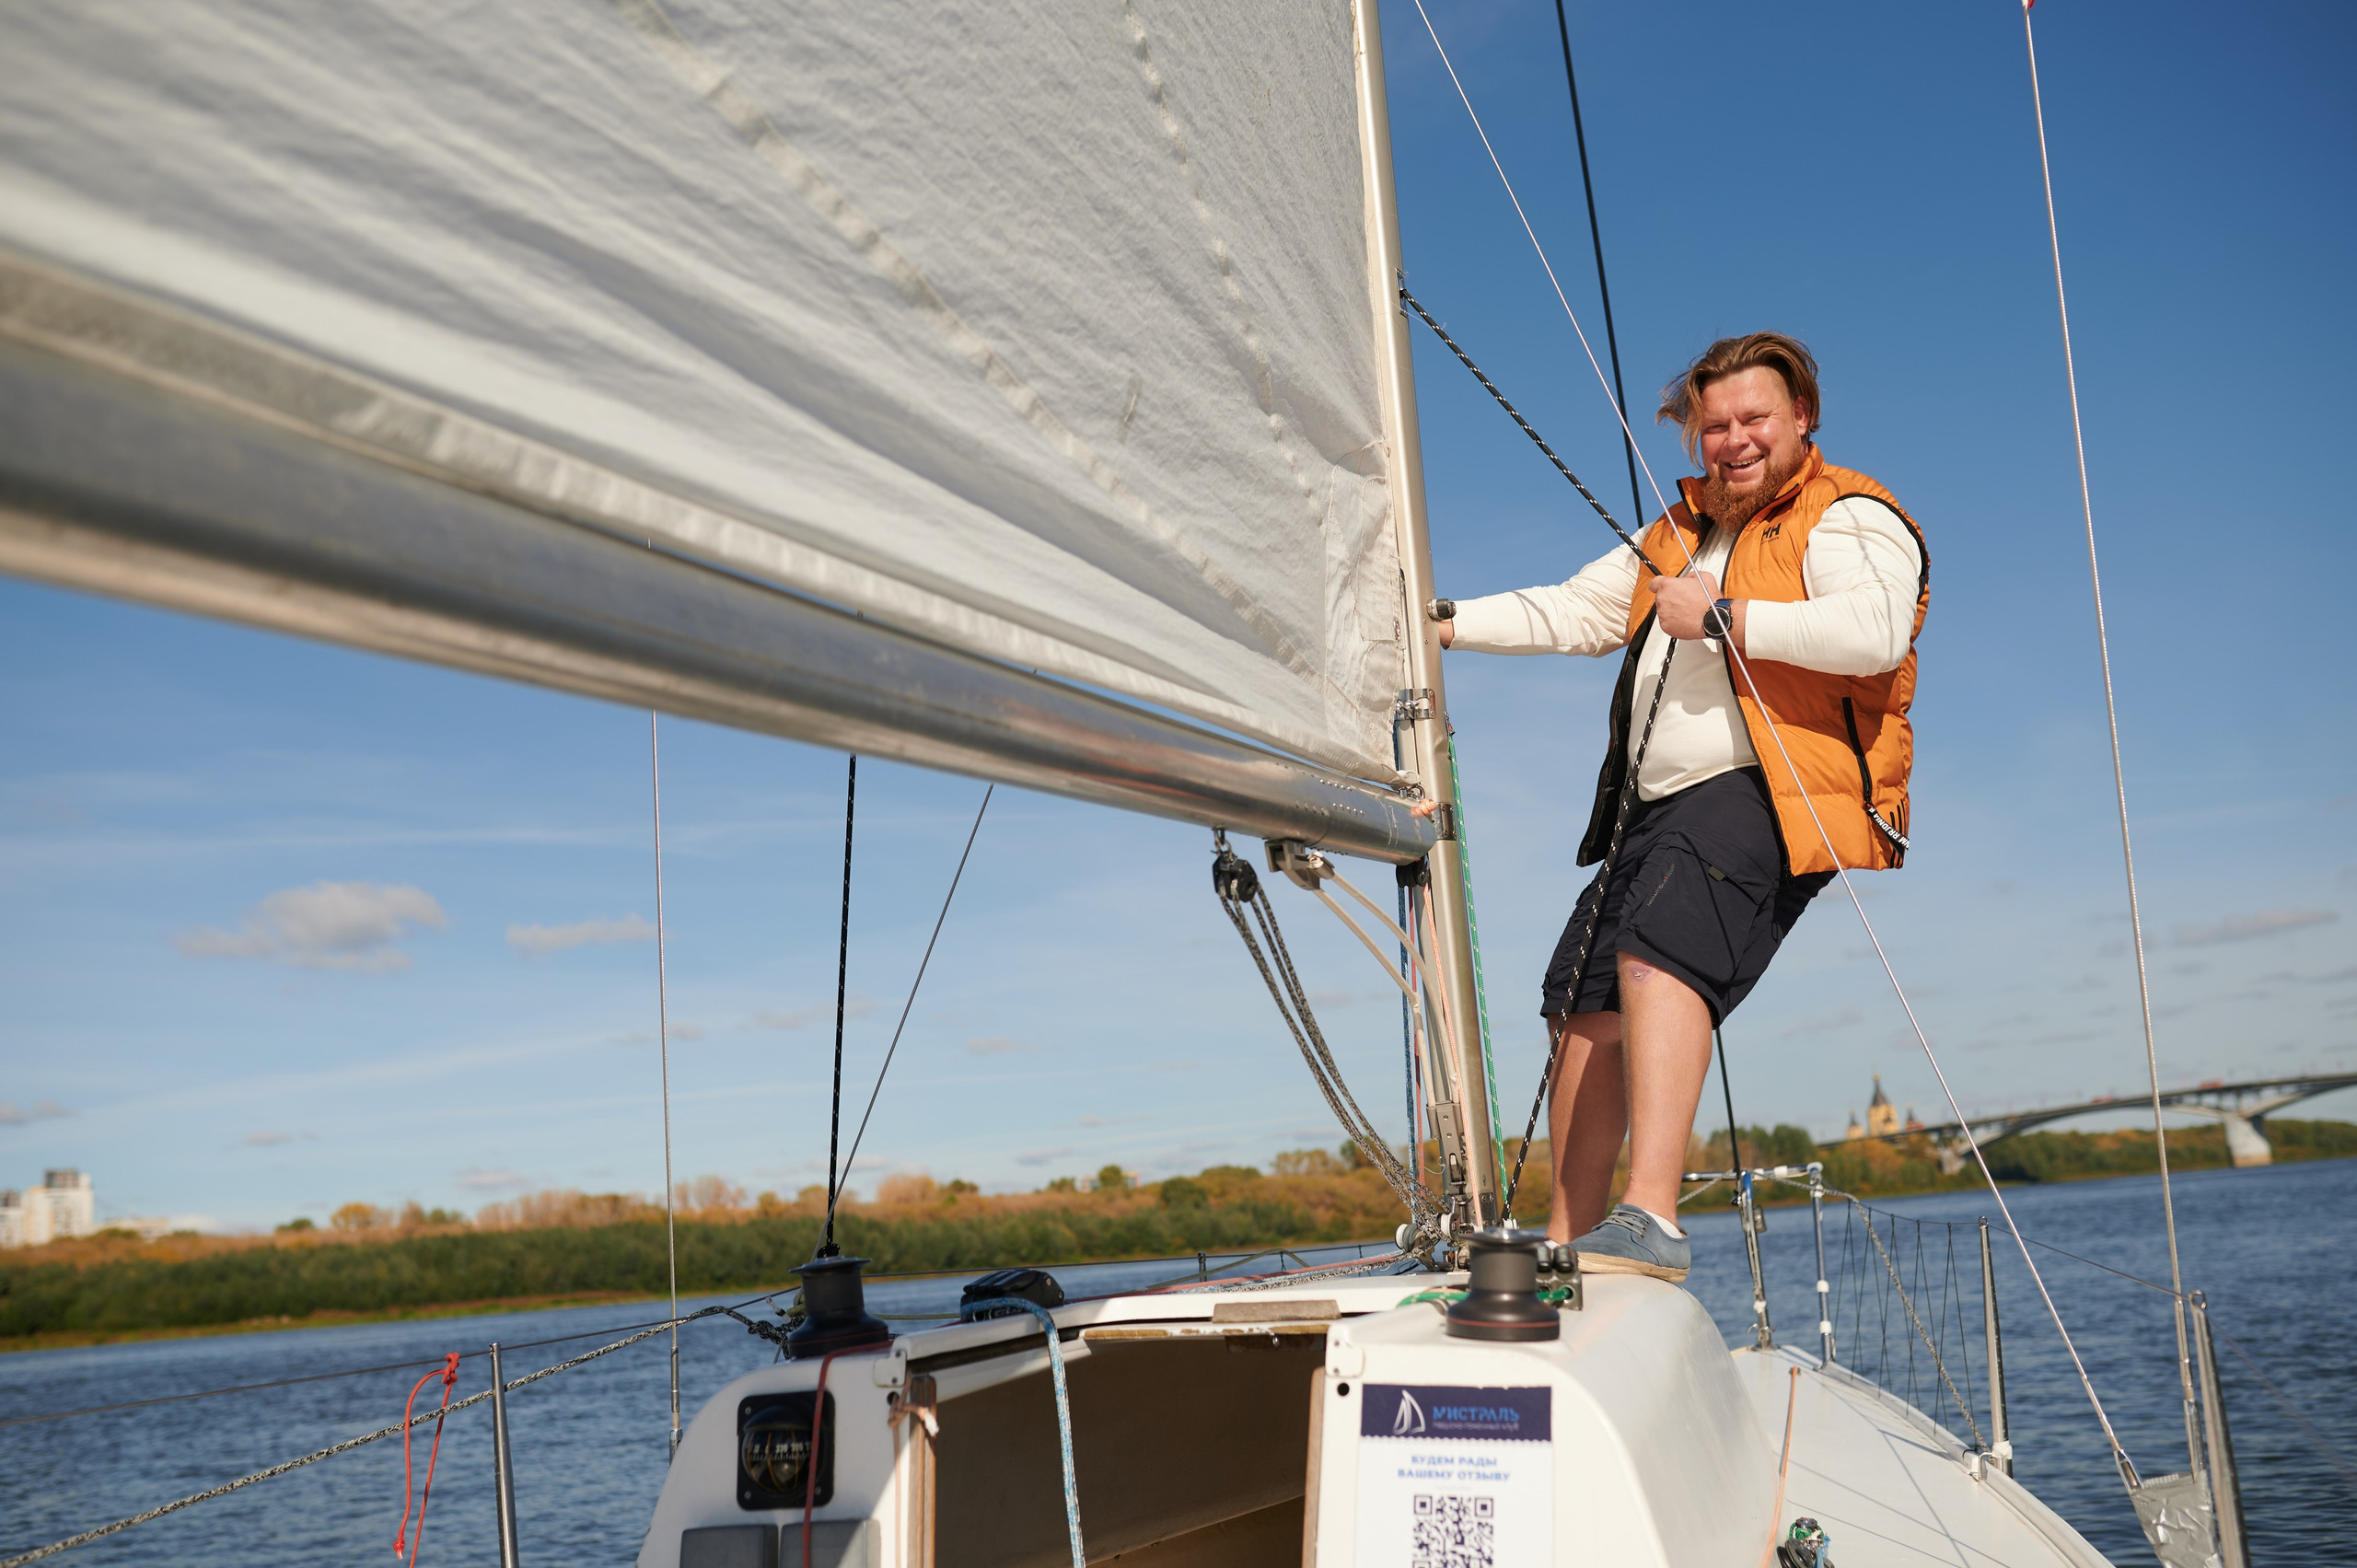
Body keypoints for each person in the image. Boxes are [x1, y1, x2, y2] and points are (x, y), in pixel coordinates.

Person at [1435, 332, 1927, 1282]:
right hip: (1655, 811)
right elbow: (1575, 614)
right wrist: (1441, 623)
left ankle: (1650, 1215)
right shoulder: (1672, 532)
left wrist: (1726, 612)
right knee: (1578, 1001)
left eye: (1754, 419)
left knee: (1657, 952)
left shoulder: (1850, 512)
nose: (1733, 439)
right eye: (1715, 425)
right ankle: (1571, 1245)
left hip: (1771, 792)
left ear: (1800, 419)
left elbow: (1871, 631)